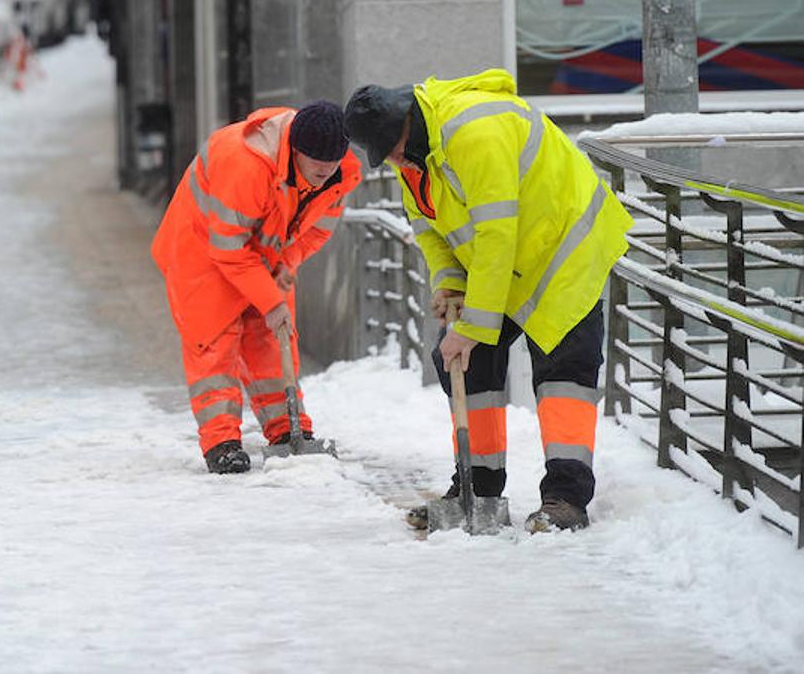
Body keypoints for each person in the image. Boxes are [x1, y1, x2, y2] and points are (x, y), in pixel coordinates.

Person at [343, 70, 633, 532]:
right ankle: (477, 485)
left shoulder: (473, 132)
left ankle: (565, 498)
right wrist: (451, 286)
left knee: (564, 372)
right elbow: (431, 232)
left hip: (562, 252)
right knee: (465, 363)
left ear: (405, 124)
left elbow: (497, 233)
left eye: (394, 149)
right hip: (508, 264)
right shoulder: (417, 158)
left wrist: (472, 328)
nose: (395, 161)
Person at [151, 101, 362, 474]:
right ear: (296, 152)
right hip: (202, 253)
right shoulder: (244, 162)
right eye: (317, 170)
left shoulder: (340, 173)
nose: (325, 178)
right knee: (214, 343)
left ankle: (288, 430)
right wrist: (271, 300)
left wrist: (287, 262)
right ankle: (221, 442)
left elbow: (319, 227)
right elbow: (228, 249)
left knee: (272, 341)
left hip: (264, 256)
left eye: (332, 170)